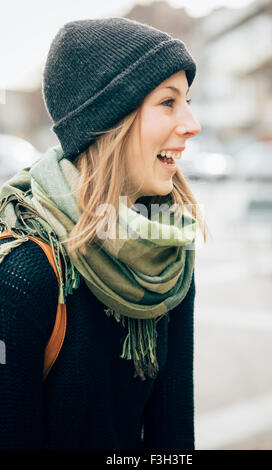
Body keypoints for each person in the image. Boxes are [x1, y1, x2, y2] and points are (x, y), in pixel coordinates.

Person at [0, 17, 207, 450]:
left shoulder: (168, 254)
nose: (192, 123)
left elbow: (173, 437)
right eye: (168, 103)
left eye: (187, 101)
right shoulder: (24, 273)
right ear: (110, 121)